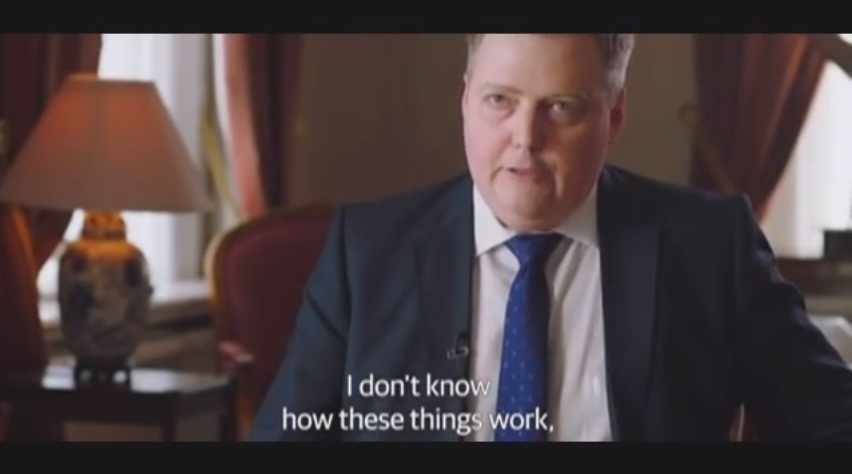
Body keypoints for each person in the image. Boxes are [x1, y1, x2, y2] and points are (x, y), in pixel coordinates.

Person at [247, 34, 852, 441]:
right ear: (464, 101)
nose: (525, 138)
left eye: (561, 107)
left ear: (613, 117)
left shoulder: (709, 249)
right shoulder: (365, 253)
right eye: (499, 101)